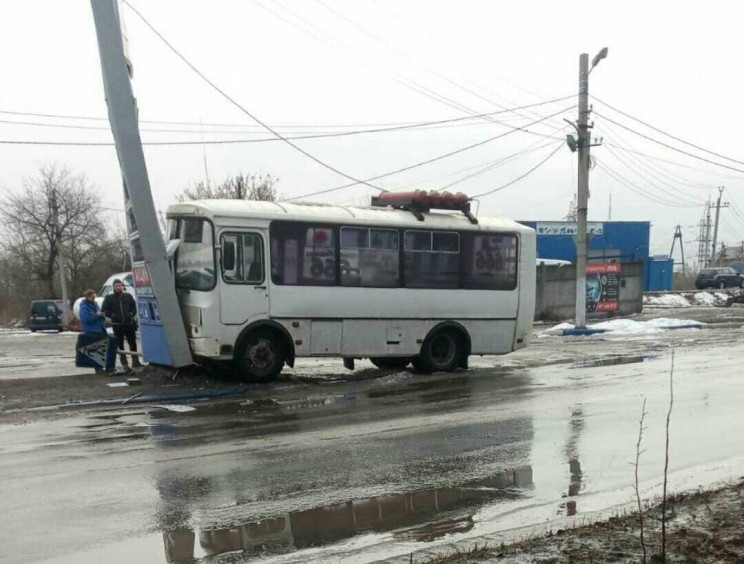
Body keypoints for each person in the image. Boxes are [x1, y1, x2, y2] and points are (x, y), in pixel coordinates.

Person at [102, 279, 143, 372]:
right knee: (120, 344)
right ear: (113, 287)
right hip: (117, 324)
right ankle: (124, 363)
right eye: (116, 286)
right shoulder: (109, 298)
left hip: (129, 323)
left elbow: (134, 306)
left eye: (120, 285)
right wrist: (112, 315)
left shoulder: (128, 296)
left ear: (123, 286)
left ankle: (135, 361)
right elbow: (104, 310)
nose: (118, 287)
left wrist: (131, 314)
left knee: (132, 342)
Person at [78, 289, 109, 373]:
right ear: (88, 297)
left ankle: (102, 366)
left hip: (100, 329)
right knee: (95, 350)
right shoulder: (84, 307)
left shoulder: (95, 304)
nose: (94, 299)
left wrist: (102, 315)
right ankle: (98, 368)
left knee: (102, 348)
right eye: (92, 297)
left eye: (94, 297)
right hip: (91, 330)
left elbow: (99, 314)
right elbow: (86, 319)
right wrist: (96, 315)